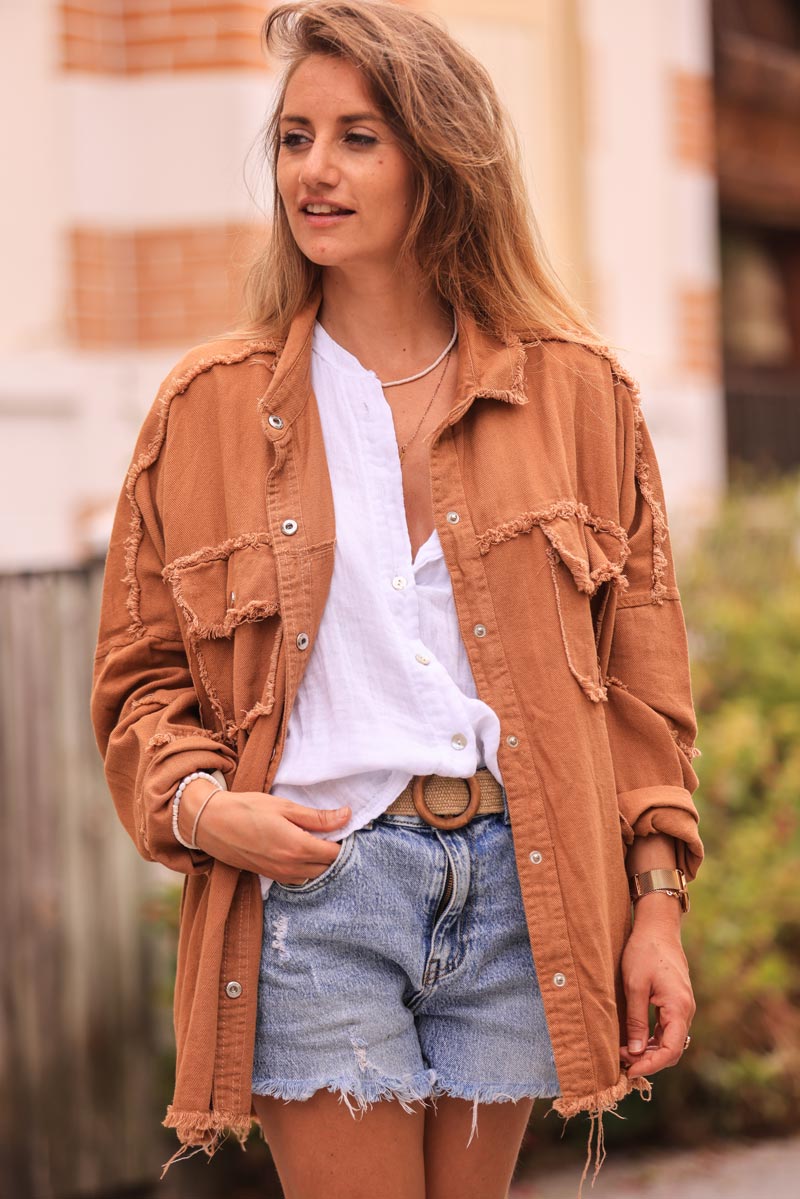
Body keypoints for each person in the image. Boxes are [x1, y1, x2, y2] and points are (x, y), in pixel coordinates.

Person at [90, 2, 704, 1197]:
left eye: (357, 137)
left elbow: (641, 689)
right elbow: (140, 680)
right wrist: (210, 810)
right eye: (292, 137)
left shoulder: (580, 394)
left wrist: (655, 904)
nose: (311, 170)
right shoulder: (206, 409)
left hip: (523, 888)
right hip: (319, 887)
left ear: (442, 156)